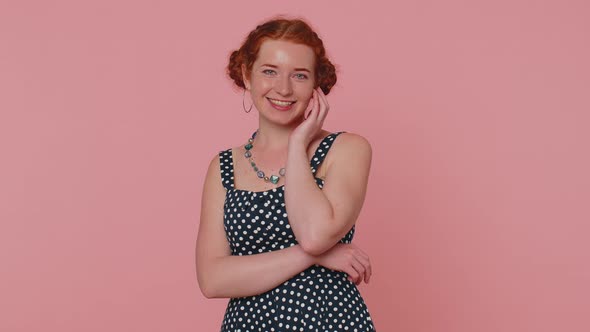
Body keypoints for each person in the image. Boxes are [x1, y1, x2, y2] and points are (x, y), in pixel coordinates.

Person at [195, 17, 377, 331]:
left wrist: (297, 144)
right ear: (246, 75)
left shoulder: (346, 150)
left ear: (316, 85)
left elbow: (316, 235)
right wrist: (313, 258)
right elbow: (212, 279)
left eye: (300, 75)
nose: (283, 88)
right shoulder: (224, 167)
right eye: (269, 71)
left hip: (327, 321)